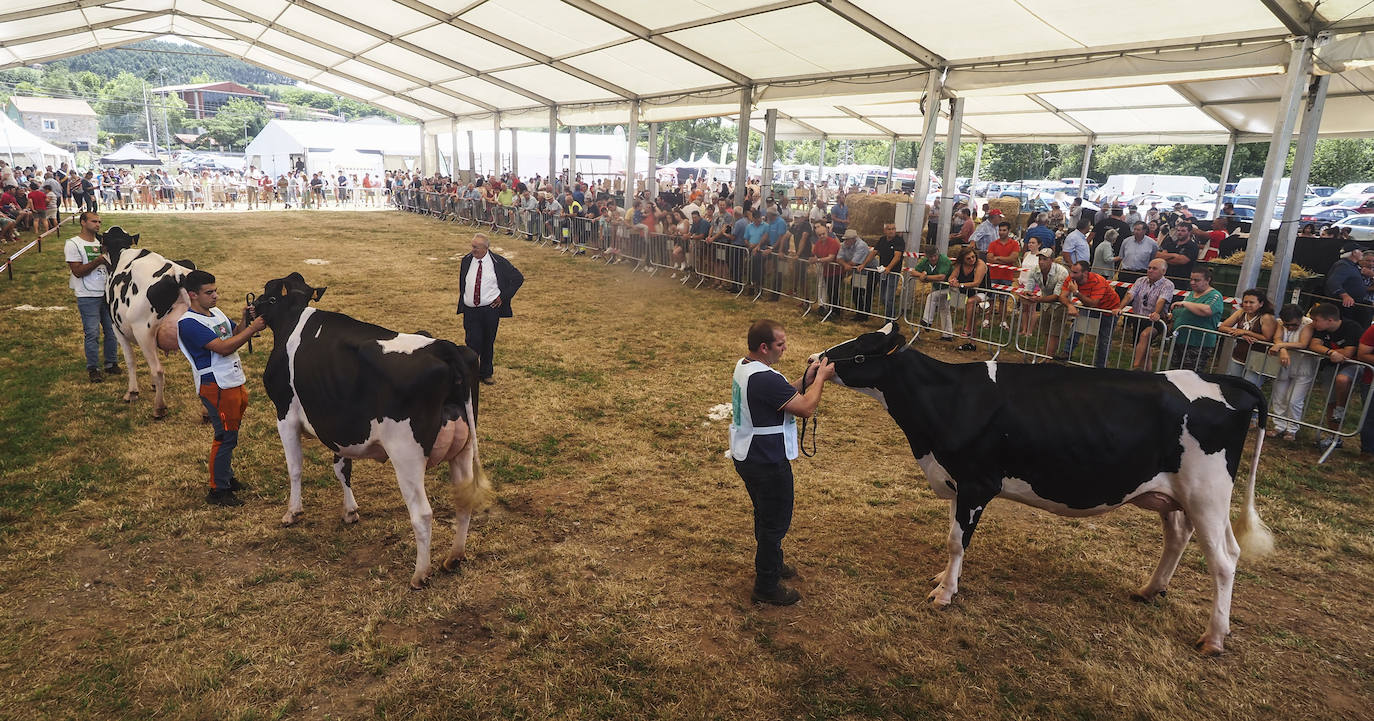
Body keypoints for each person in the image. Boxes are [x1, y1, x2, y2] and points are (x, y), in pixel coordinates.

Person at [729, 319, 834, 605]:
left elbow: (782, 393)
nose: (786, 348)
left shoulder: (746, 366)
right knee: (774, 523)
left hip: (749, 454)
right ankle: (766, 586)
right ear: (764, 347)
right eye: (780, 344)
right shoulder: (766, 378)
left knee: (765, 516)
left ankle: (772, 563)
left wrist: (806, 380)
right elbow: (805, 408)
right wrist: (822, 379)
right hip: (767, 461)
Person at [176, 270, 266, 507]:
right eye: (209, 292)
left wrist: (245, 320)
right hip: (215, 384)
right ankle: (218, 490)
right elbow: (223, 348)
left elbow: (234, 334)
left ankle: (225, 476)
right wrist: (253, 328)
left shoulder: (215, 313)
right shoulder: (188, 323)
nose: (215, 296)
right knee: (224, 435)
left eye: (215, 290)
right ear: (193, 295)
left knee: (231, 433)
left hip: (232, 379)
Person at [455, 233, 524, 385]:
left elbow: (518, 278)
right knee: (472, 341)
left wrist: (503, 297)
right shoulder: (466, 260)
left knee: (487, 341)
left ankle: (486, 372)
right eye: (472, 246)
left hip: (489, 310)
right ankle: (470, 373)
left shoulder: (498, 262)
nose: (472, 250)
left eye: (476, 247)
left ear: (486, 248)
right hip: (470, 310)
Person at [65, 211, 119, 382]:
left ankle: (111, 363)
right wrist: (99, 259)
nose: (98, 224)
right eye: (94, 221)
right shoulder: (73, 243)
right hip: (87, 294)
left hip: (106, 293)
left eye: (99, 222)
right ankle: (93, 368)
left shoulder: (102, 242)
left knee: (112, 331)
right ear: (83, 222)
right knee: (92, 332)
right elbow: (77, 271)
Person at [1306, 303, 1364, 449]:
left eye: (1316, 320)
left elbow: (1348, 353)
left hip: (1352, 365)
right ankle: (1333, 436)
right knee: (1330, 401)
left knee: (1342, 379)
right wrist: (1331, 353)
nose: (1313, 324)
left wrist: (1337, 353)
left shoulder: (1352, 327)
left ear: (1330, 320)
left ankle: (1341, 407)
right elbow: (1314, 345)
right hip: (1330, 365)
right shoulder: (1320, 328)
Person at [1114, 259, 1175, 371]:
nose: (1150, 270)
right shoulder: (1140, 280)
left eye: (1154, 268)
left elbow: (1162, 300)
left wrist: (1156, 312)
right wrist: (1119, 308)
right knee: (1144, 350)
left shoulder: (1168, 285)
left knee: (1145, 336)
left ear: (1163, 271)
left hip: (1156, 320)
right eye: (1149, 268)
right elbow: (1130, 295)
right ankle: (1147, 375)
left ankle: (1135, 367)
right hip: (1139, 318)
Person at [1266, 304, 1316, 441]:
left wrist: (1281, 346)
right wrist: (1282, 350)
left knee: (1294, 400)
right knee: (1279, 397)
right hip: (1284, 364)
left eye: (1294, 325)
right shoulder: (1280, 323)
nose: (1290, 328)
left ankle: (1292, 428)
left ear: (1300, 318)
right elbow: (1277, 338)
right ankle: (1279, 425)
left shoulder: (1308, 323)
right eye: (1287, 324)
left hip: (1303, 366)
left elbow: (1302, 343)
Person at [1059, 260, 1121, 367]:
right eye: (1071, 271)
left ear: (1085, 273)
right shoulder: (1071, 279)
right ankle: (1066, 352)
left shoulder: (1098, 281)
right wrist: (1070, 305)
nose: (1071, 275)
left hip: (1109, 310)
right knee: (1076, 327)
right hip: (1090, 307)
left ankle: (1100, 366)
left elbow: (1093, 303)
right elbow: (1062, 296)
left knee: (1104, 339)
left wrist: (1076, 293)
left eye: (1075, 273)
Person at [1169, 267, 1225, 371]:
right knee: (1175, 372)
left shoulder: (1215, 295)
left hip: (1198, 342)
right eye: (1191, 279)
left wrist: (1185, 303)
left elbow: (1207, 310)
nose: (1192, 282)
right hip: (1181, 339)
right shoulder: (1191, 294)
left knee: (1191, 374)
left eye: (1197, 280)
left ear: (1208, 280)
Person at [1218, 288, 1277, 386]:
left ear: (1261, 304)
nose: (1248, 305)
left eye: (1251, 302)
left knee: (1250, 387)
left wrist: (1245, 332)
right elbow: (1223, 327)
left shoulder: (1266, 317)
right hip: (1239, 355)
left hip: (1258, 357)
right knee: (1234, 385)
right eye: (1245, 302)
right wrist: (1241, 334)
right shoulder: (1241, 312)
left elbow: (1267, 338)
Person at [1017, 248, 1069, 358]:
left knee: (1054, 332)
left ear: (1052, 260)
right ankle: (1046, 356)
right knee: (1046, 331)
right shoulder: (1035, 270)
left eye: (1045, 259)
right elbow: (1029, 287)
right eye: (1040, 259)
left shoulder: (1062, 272)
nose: (1041, 262)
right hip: (1045, 302)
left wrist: (1037, 299)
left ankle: (1049, 358)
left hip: (1061, 303)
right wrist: (1027, 294)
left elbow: (1057, 296)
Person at [948, 246, 990, 350]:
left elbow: (976, 283)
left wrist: (961, 285)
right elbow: (951, 277)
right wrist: (952, 281)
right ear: (963, 259)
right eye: (968, 258)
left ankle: (967, 329)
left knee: (971, 302)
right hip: (967, 292)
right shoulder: (960, 265)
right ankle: (972, 343)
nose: (972, 260)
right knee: (973, 315)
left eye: (973, 257)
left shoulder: (980, 264)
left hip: (982, 292)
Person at [863, 222, 905, 319]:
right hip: (882, 272)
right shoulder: (882, 240)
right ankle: (893, 315)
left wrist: (889, 268)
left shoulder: (899, 241)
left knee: (888, 298)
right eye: (889, 229)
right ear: (885, 231)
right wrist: (864, 264)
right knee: (882, 297)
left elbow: (897, 257)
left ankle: (889, 320)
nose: (891, 231)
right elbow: (873, 252)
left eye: (893, 229)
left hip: (893, 273)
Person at [1324, 243, 1370, 326]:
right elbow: (1333, 282)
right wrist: (1344, 295)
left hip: (1353, 304)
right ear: (1354, 253)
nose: (1362, 253)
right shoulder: (1343, 265)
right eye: (1360, 251)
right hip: (1345, 305)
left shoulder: (1350, 265)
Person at [836, 228, 876, 320]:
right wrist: (845, 265)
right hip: (859, 271)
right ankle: (860, 313)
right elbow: (839, 258)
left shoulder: (861, 245)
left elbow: (854, 262)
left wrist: (846, 265)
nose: (845, 241)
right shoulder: (844, 245)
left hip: (870, 271)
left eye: (847, 239)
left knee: (867, 293)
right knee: (856, 291)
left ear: (854, 239)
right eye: (845, 239)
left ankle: (864, 314)